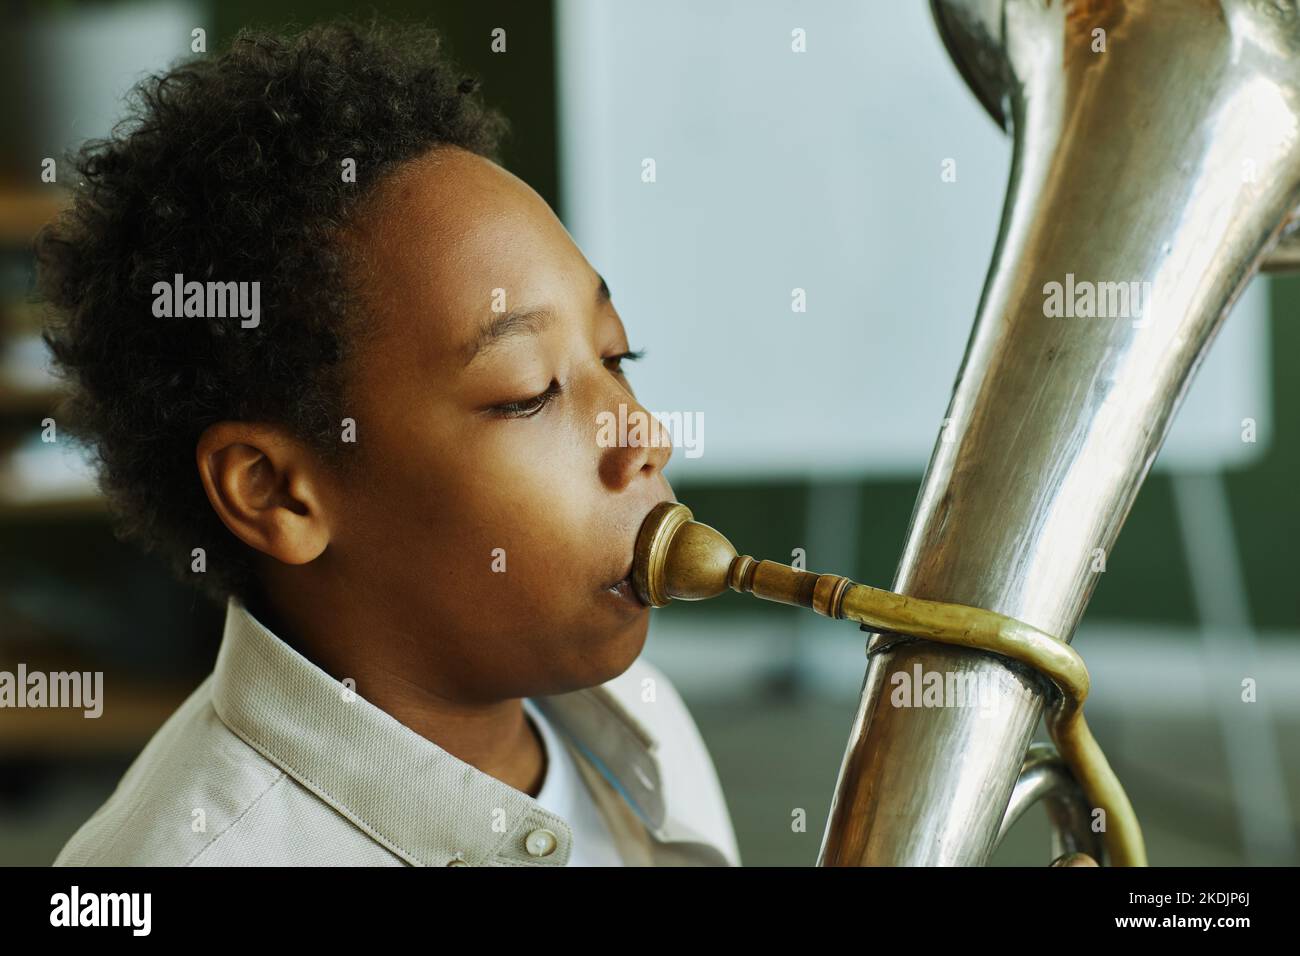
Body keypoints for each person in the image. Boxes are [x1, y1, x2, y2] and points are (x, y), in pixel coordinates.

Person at [39, 18, 739, 867]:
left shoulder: (648, 721)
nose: (646, 437)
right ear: (276, 492)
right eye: (528, 395)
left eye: (616, 355)